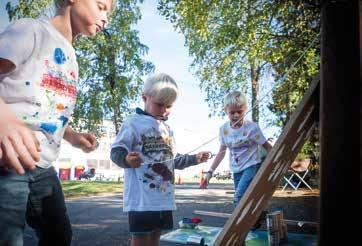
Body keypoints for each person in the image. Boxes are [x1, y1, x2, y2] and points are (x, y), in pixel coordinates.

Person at [0, 0, 113, 245]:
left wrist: (72, 136)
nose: (106, 18)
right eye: (102, 6)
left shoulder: (71, 57)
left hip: (42, 166)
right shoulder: (31, 31)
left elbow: (45, 110)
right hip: (8, 161)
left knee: (59, 235)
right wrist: (4, 119)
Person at [111, 73, 210, 246]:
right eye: (159, 104)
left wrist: (195, 159)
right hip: (141, 200)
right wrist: (126, 160)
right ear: (144, 98)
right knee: (141, 238)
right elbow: (116, 151)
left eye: (169, 106)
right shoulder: (133, 123)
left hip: (163, 198)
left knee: (156, 236)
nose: (164, 110)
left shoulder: (166, 128)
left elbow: (171, 160)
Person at [205, 91, 272, 225]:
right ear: (226, 111)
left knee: (238, 196)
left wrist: (275, 162)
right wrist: (210, 172)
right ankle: (257, 217)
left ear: (245, 110)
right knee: (246, 198)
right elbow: (221, 152)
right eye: (232, 112)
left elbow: (267, 146)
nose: (236, 115)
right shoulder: (224, 130)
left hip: (251, 166)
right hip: (236, 169)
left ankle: (239, 225)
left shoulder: (252, 128)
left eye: (239, 112)